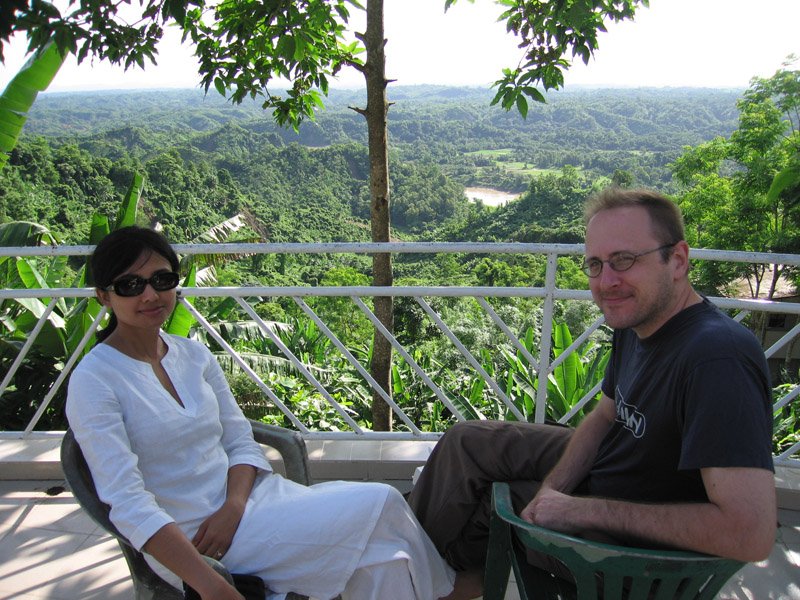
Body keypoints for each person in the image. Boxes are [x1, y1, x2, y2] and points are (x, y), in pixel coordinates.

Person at [408, 187, 777, 600]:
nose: (606, 282)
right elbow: (605, 416)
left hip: (634, 558)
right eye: (595, 265)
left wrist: (579, 509)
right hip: (617, 469)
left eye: (624, 260)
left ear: (677, 260)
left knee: (497, 501)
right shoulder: (638, 321)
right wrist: (554, 488)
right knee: (469, 442)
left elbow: (750, 533)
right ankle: (412, 568)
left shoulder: (718, 359)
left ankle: (408, 577)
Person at [66, 226, 456, 600]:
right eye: (130, 285)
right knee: (383, 502)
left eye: (161, 279)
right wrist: (212, 586)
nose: (150, 295)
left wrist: (233, 507)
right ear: (103, 296)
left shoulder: (192, 355)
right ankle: (451, 590)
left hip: (250, 504)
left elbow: (240, 442)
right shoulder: (95, 381)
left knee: (382, 561)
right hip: (191, 540)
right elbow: (127, 502)